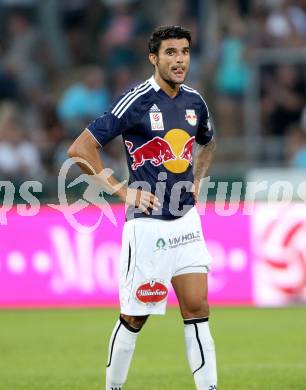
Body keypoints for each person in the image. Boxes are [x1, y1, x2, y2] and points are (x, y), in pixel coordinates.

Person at [68, 25, 217, 390]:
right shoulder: (135, 100)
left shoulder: (195, 102)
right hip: (148, 225)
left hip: (186, 221)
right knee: (135, 317)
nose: (179, 59)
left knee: (197, 309)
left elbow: (208, 142)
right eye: (170, 53)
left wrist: (197, 179)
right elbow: (80, 149)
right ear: (154, 58)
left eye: (184, 52)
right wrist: (122, 190)